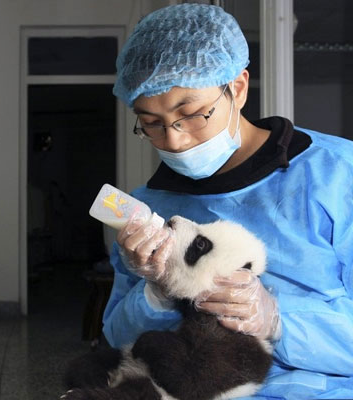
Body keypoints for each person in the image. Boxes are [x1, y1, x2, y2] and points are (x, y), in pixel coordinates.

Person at [102, 3, 353, 399]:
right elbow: (118, 339)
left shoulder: (338, 174)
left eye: (193, 113)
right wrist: (157, 292)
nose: (174, 140)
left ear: (236, 87)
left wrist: (278, 321)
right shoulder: (149, 205)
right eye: (151, 122)